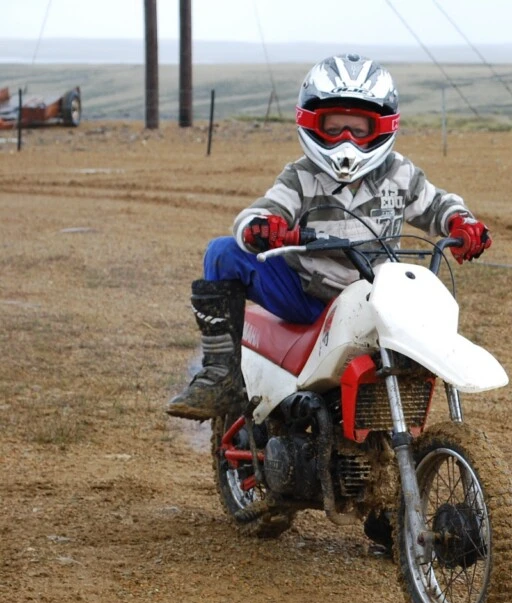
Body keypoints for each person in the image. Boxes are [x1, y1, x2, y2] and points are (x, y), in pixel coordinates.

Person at [165, 53, 492, 421]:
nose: (346, 141)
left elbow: (437, 205)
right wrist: (262, 227)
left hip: (377, 297)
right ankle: (219, 376)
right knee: (223, 251)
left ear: (383, 127)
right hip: (305, 294)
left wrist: (462, 223)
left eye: (360, 128)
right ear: (311, 124)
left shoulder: (399, 174)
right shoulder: (301, 176)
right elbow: (262, 210)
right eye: (334, 128)